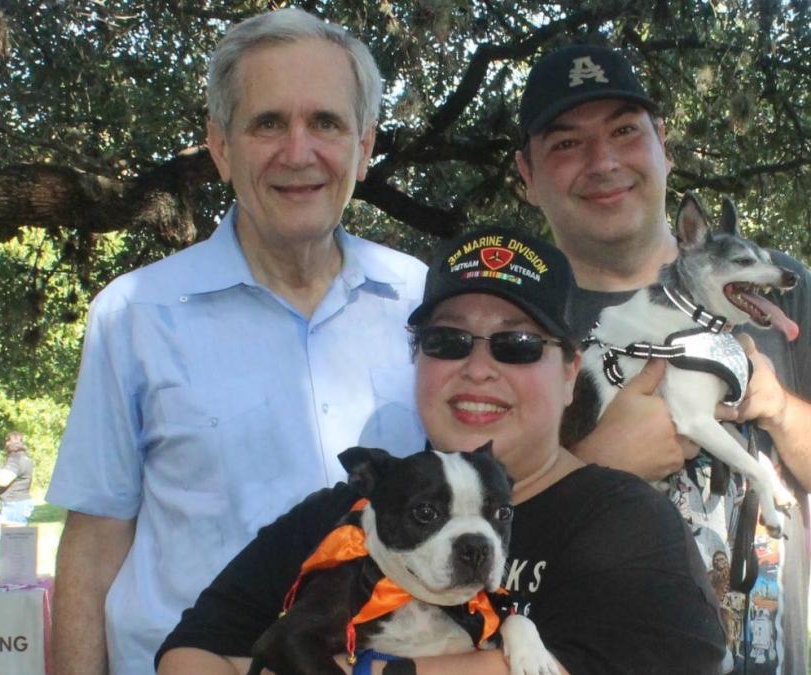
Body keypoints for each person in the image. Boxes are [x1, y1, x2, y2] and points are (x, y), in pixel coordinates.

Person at [157, 226, 727, 674]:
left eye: (518, 345)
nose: (479, 369)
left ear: (570, 371)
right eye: (446, 341)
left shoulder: (626, 526)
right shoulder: (339, 516)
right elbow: (192, 650)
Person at [46, 8, 428, 674]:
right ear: (221, 147)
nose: (299, 151)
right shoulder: (136, 316)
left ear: (365, 148)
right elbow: (93, 550)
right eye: (268, 123)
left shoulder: (425, 306)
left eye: (327, 123)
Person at [514, 44, 811, 674]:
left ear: (663, 146)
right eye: (567, 143)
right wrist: (592, 469)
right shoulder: (509, 328)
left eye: (625, 130)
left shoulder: (784, 296)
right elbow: (471, 542)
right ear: (525, 174)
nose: (604, 162)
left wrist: (781, 410)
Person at [0, 431, 35, 526]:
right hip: (18, 503)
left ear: (7, 443)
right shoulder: (25, 458)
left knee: (13, 539)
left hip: (14, 505)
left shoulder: (15, 459)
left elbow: (2, 481)